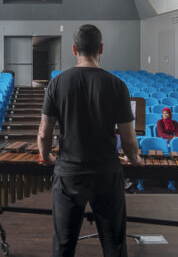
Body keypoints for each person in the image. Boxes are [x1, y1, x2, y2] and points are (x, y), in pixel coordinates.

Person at [38, 24, 142, 257]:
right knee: (114, 245)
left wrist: (45, 157)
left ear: (74, 49)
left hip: (68, 174)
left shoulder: (56, 83)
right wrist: (135, 159)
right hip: (107, 173)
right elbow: (128, 137)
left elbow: (44, 133)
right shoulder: (117, 85)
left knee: (63, 246)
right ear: (101, 48)